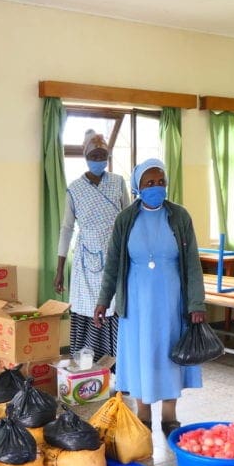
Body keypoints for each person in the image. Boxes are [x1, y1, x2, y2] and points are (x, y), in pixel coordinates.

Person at [94, 158, 206, 437]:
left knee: (170, 354)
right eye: (149, 183)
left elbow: (192, 262)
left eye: (160, 182)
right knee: (142, 354)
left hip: (172, 300)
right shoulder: (126, 219)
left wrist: (196, 303)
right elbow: (113, 266)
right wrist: (103, 300)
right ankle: (143, 414)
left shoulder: (179, 216)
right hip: (137, 302)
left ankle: (169, 415)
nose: (156, 187)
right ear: (138, 187)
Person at [54, 130, 130, 367]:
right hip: (86, 261)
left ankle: (119, 366)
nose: (99, 159)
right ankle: (87, 365)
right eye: (94, 154)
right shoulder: (74, 189)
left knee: (115, 309)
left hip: (117, 254)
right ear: (85, 155)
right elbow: (66, 229)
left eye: (103, 155)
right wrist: (59, 269)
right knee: (87, 310)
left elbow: (128, 219)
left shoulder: (118, 182)